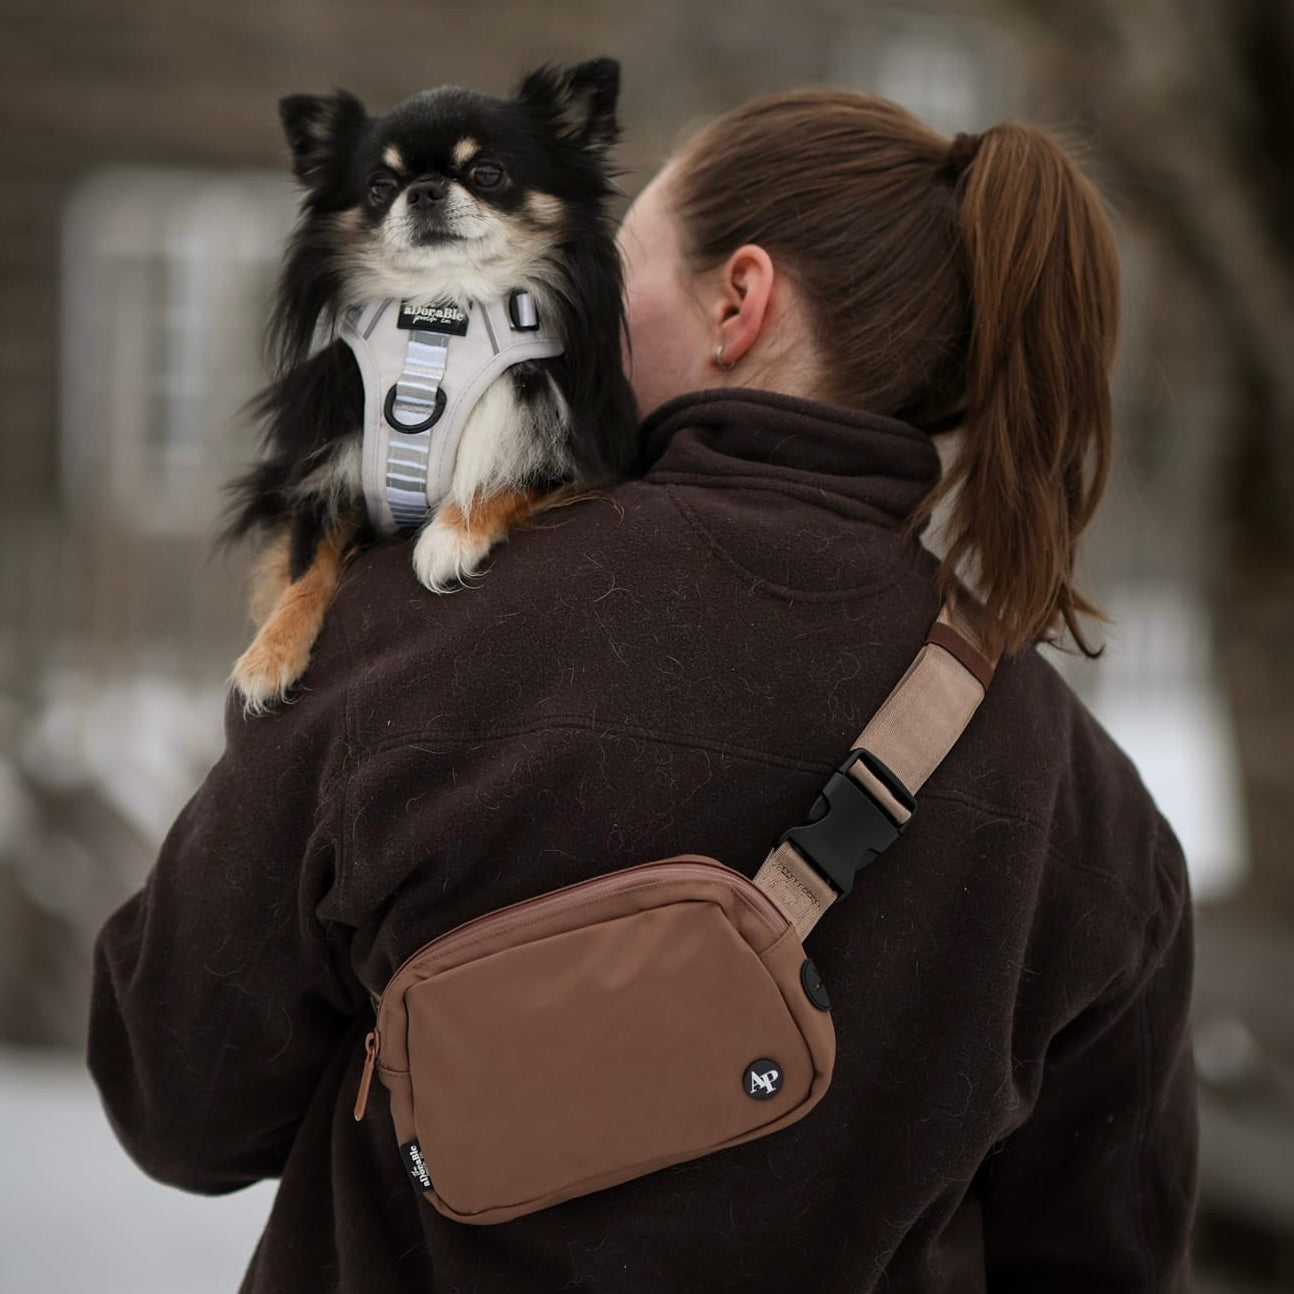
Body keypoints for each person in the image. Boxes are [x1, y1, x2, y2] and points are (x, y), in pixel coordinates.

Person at [88, 89, 1197, 1292]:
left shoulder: (416, 630)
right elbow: (1102, 1259)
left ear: (739, 301)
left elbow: (178, 1097)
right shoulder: (1089, 809)